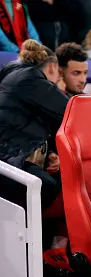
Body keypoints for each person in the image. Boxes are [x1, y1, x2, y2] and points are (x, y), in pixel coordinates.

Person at [0, 39, 68, 212]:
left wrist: (50, 152)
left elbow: (31, 124)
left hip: (8, 153)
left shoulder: (14, 74)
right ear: (52, 67)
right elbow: (70, 111)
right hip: (7, 157)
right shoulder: (30, 79)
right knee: (47, 186)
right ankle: (27, 236)